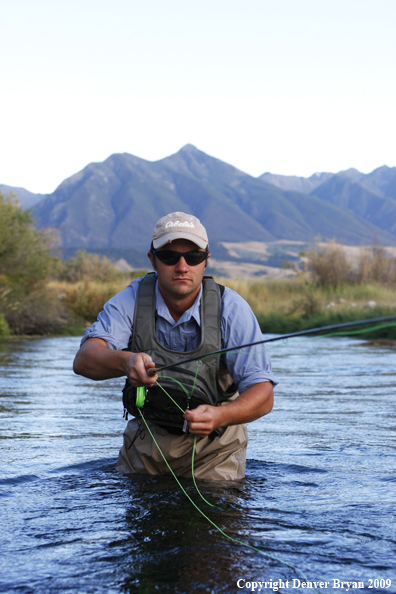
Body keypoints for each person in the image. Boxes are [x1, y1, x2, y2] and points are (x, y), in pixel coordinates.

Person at [73, 212, 277, 480]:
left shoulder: (232, 308)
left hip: (215, 450)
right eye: (170, 256)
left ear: (206, 260)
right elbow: (84, 360)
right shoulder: (130, 300)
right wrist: (124, 361)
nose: (182, 266)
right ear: (152, 259)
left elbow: (263, 393)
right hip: (145, 446)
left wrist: (221, 415)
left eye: (193, 256)